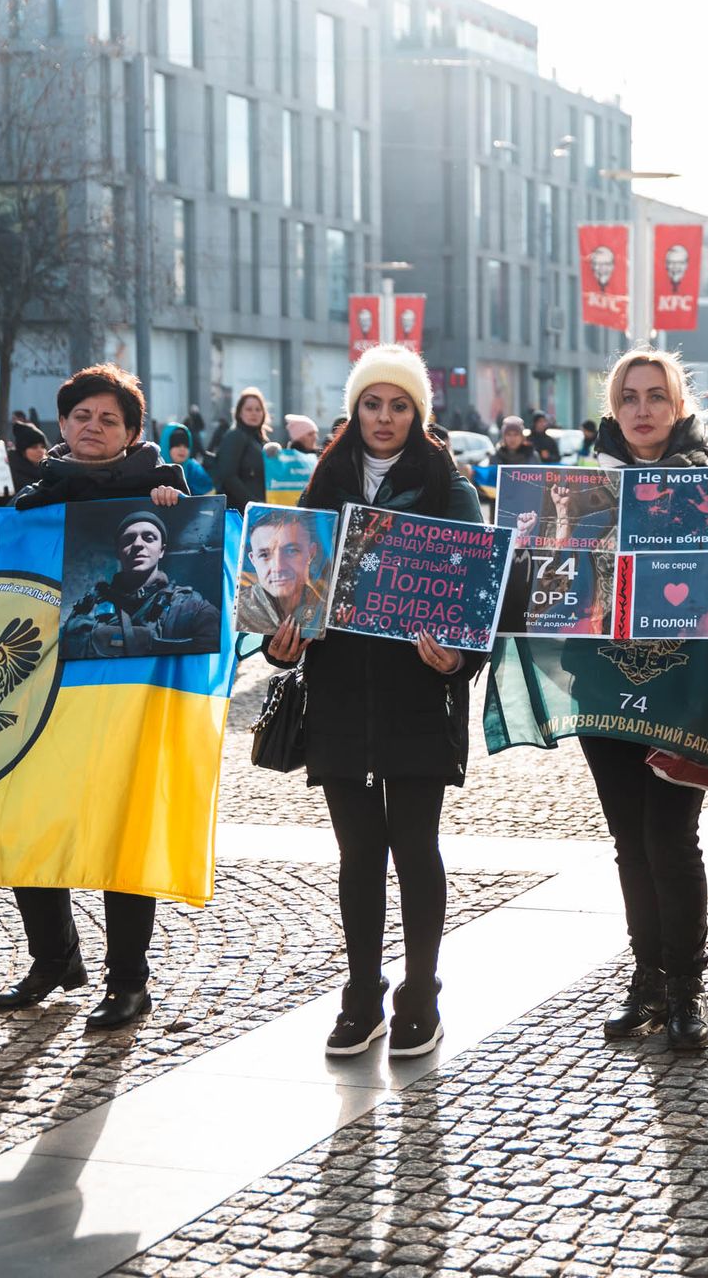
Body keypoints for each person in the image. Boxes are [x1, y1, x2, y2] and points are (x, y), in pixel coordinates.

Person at [264, 344, 483, 1059]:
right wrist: (279, 641)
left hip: (418, 693)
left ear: (417, 412)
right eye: (371, 403)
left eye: (398, 405)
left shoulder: (447, 483)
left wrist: (460, 658)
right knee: (357, 851)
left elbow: (480, 592)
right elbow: (287, 586)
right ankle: (362, 993)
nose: (384, 417)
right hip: (337, 695)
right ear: (353, 408)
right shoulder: (325, 482)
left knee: (415, 847)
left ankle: (421, 991)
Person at [542, 349, 708, 1051]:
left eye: (655, 396)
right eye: (629, 396)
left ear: (678, 406)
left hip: (680, 686)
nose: (641, 409)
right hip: (602, 686)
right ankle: (648, 980)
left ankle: (688, 990)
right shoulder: (581, 486)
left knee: (671, 836)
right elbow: (549, 580)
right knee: (630, 840)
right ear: (613, 408)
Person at [2, 363, 193, 1030]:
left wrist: (176, 508)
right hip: (44, 685)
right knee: (31, 816)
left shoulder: (163, 488)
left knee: (122, 823)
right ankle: (54, 958)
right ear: (62, 424)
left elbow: (198, 566)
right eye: (82, 415)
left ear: (132, 432)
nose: (93, 426)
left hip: (126, 690)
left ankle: (128, 980)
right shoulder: (35, 495)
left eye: (109, 419)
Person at [62, 507, 221, 658]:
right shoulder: (89, 607)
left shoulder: (191, 606)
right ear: (118, 551)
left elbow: (213, 661)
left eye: (149, 538)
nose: (138, 544)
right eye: (129, 539)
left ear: (162, 551)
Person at [236, 506, 330, 634]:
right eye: (264, 555)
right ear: (253, 560)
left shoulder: (328, 615)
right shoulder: (235, 613)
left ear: (311, 553)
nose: (278, 567)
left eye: (291, 551)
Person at [211, 387, 271, 511]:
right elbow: (228, 477)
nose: (254, 413)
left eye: (258, 409)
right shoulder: (235, 436)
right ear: (239, 413)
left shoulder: (262, 441)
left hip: (261, 510)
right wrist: (253, 504)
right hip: (241, 513)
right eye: (249, 409)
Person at [160, 423, 214, 496]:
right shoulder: (155, 471)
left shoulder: (195, 470)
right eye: (177, 445)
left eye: (186, 446)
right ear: (166, 446)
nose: (182, 449)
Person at [8, 419, 49, 491]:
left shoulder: (49, 470)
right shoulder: (10, 473)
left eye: (43, 446)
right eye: (34, 447)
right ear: (22, 451)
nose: (40, 451)